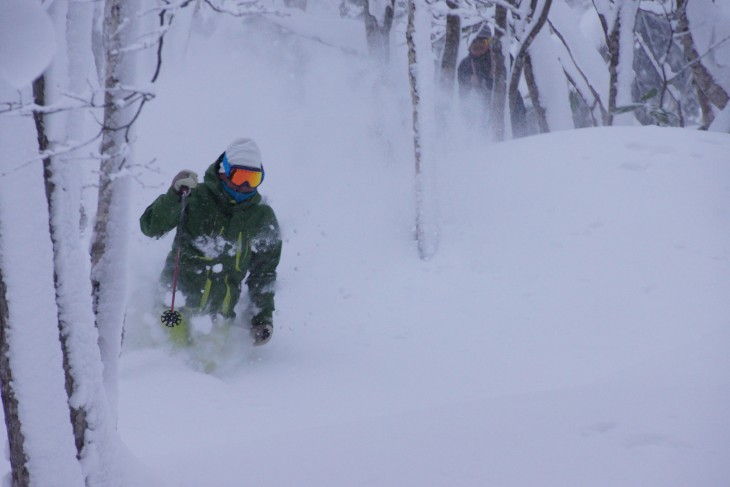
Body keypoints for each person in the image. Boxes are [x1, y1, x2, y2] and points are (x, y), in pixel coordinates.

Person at [140, 138, 282, 346]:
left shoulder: (261, 217)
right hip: (173, 308)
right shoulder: (194, 196)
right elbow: (150, 227)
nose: (244, 186)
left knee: (208, 370)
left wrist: (262, 319)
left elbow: (264, 274)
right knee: (170, 360)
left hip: (218, 318)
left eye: (252, 179)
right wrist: (174, 195)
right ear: (224, 171)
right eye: (240, 176)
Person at [457, 26, 529, 135]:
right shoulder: (465, 65)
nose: (478, 49)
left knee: (518, 131)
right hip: (483, 108)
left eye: (482, 44)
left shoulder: (501, 57)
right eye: (474, 45)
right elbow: (463, 94)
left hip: (509, 103)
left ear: (489, 43)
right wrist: (469, 81)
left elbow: (513, 75)